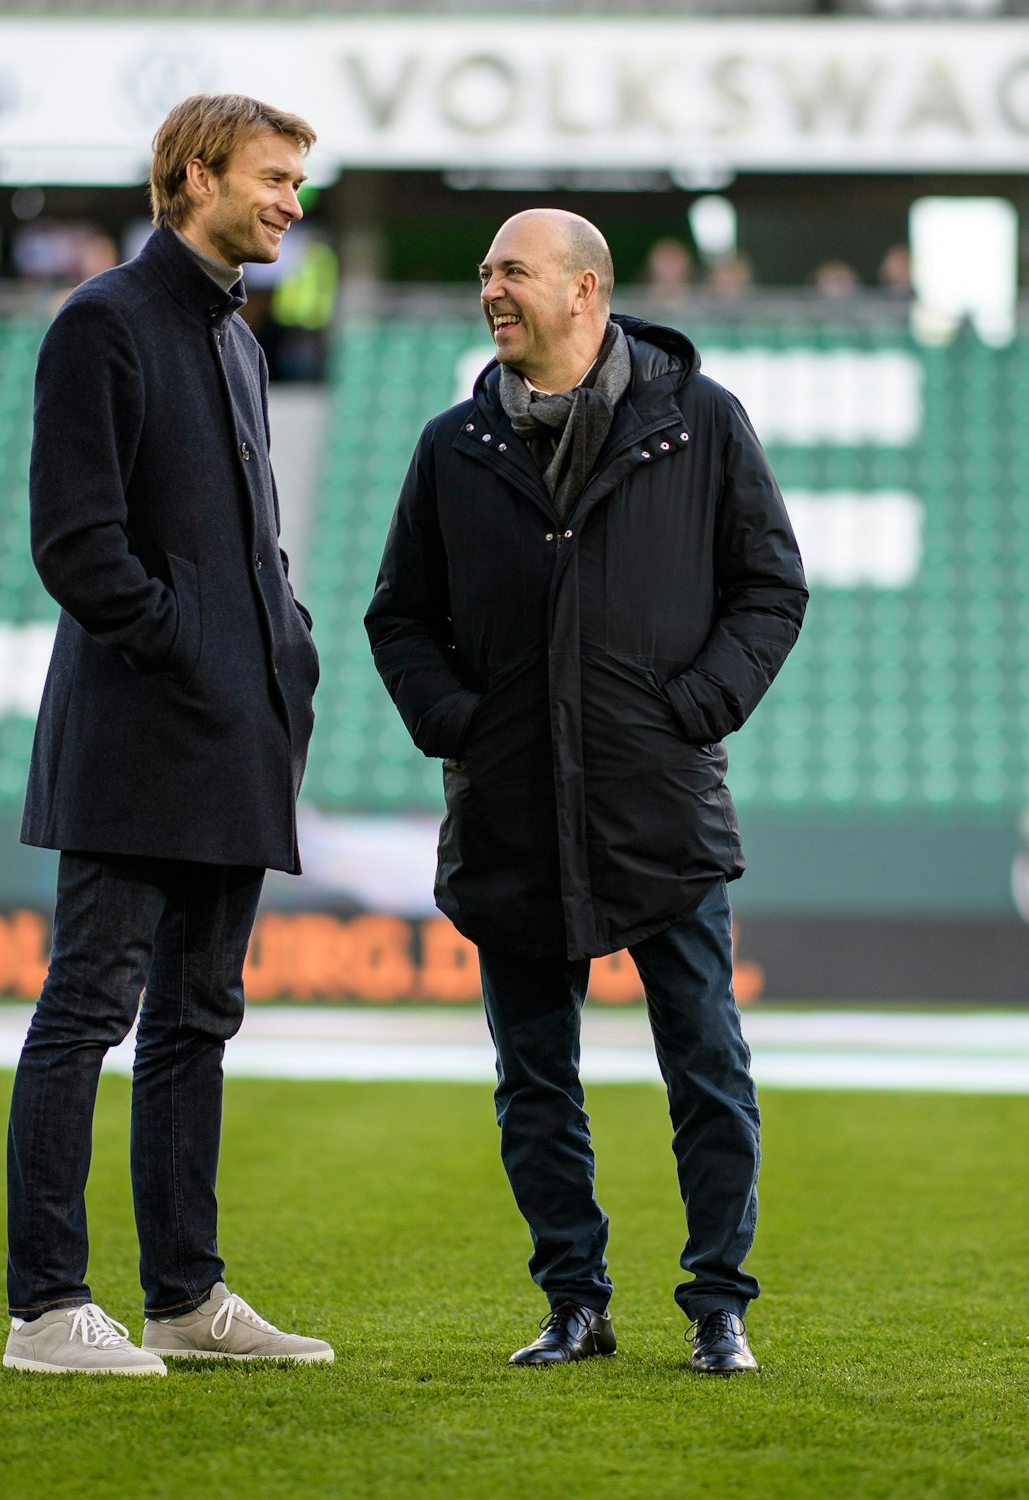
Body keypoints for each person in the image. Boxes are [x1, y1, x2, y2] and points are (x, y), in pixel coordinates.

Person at [365, 209, 807, 1376]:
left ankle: (718, 1304)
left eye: (510, 271)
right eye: (482, 274)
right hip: (509, 813)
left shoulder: (700, 424)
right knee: (533, 1085)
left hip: (657, 809)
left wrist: (693, 710)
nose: (488, 291)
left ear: (586, 291)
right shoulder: (453, 444)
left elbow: (770, 587)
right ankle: (575, 1302)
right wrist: (460, 726)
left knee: (705, 1066)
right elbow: (398, 616)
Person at [4, 93, 329, 1376]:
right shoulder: (102, 322)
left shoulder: (238, 339)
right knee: (87, 1007)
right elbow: (77, 545)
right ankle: (43, 1309)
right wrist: (187, 649)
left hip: (231, 734)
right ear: (192, 176)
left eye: (299, 180)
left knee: (199, 1018)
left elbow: (248, 547)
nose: (292, 201)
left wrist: (278, 651)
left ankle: (185, 1302)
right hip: (142, 730)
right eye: (272, 176)